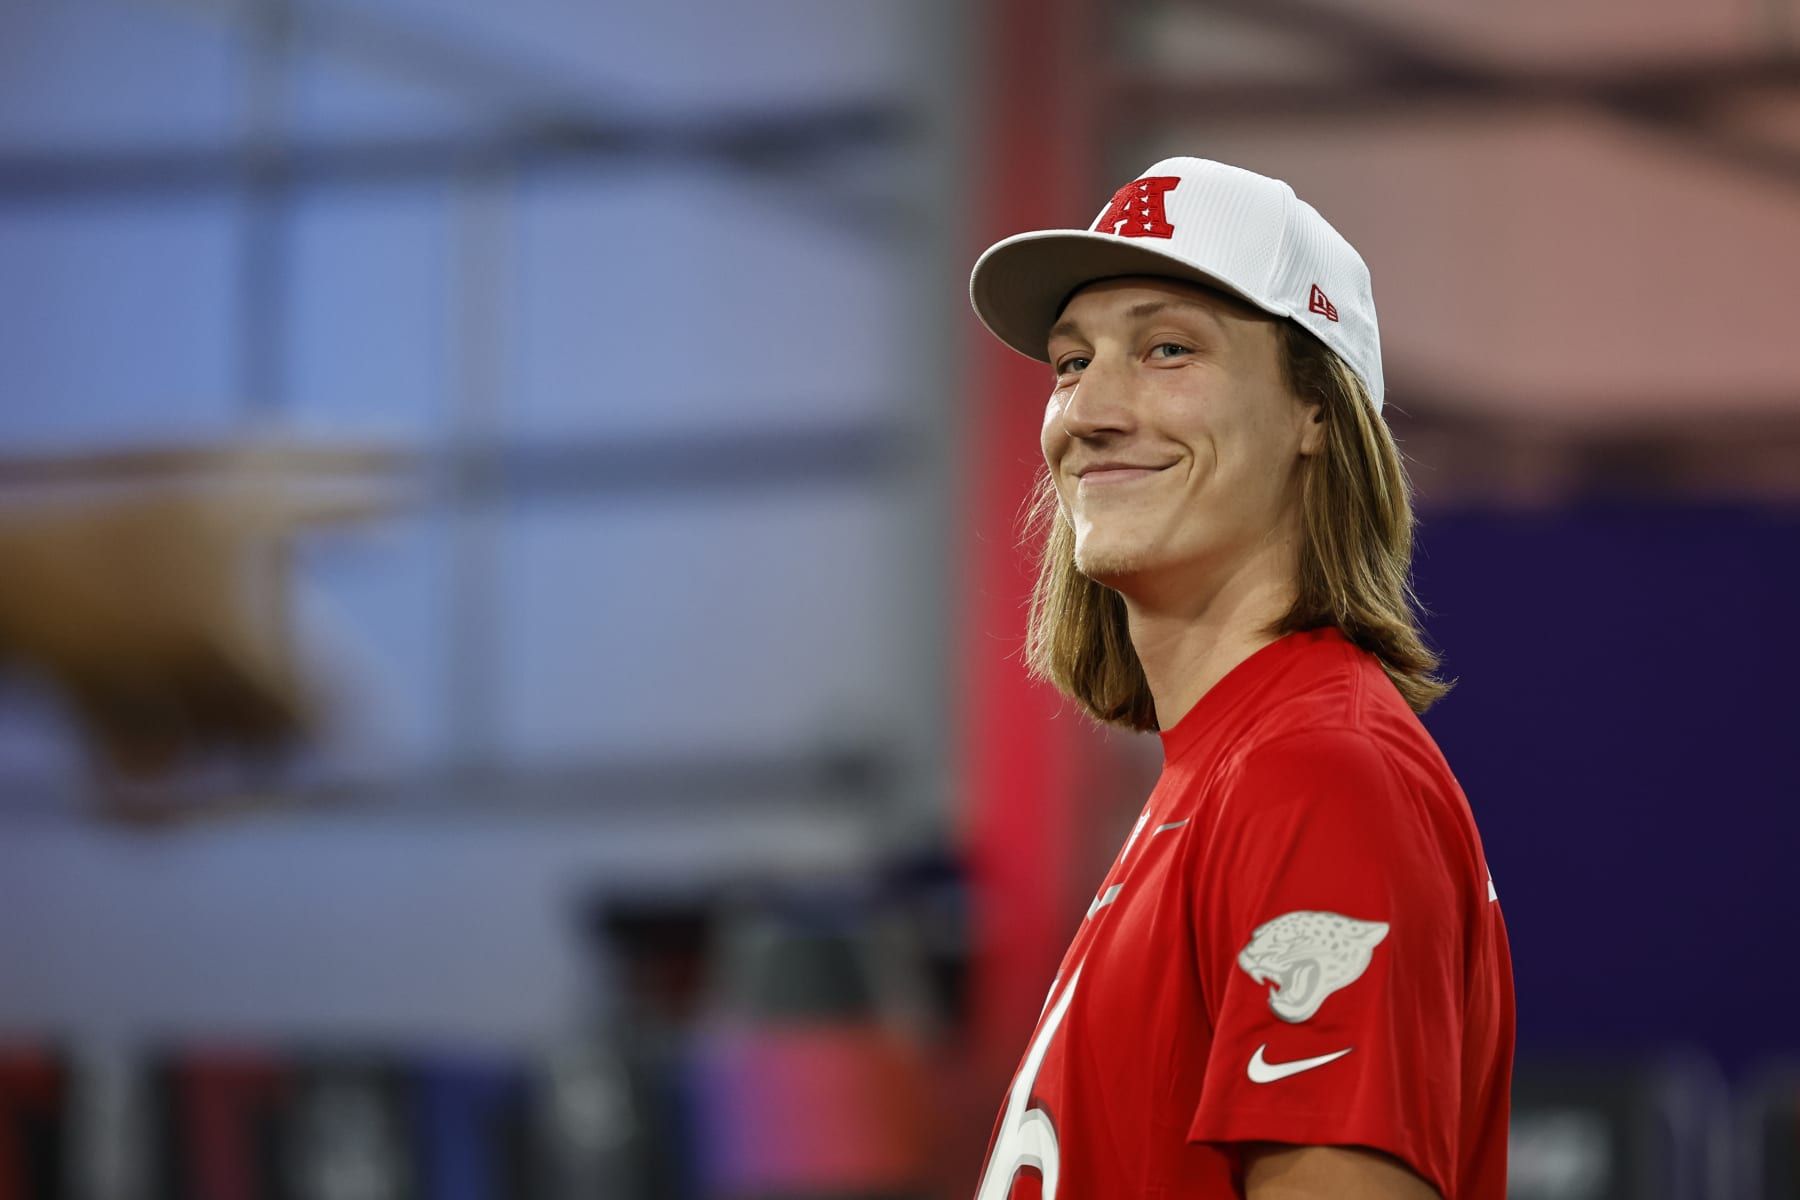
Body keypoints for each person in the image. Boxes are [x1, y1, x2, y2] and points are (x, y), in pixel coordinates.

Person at [964, 158, 1513, 1199]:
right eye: (1071, 362)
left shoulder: (1317, 775)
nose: (1090, 410)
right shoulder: (1225, 774)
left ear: (1317, 412)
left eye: (1168, 349)